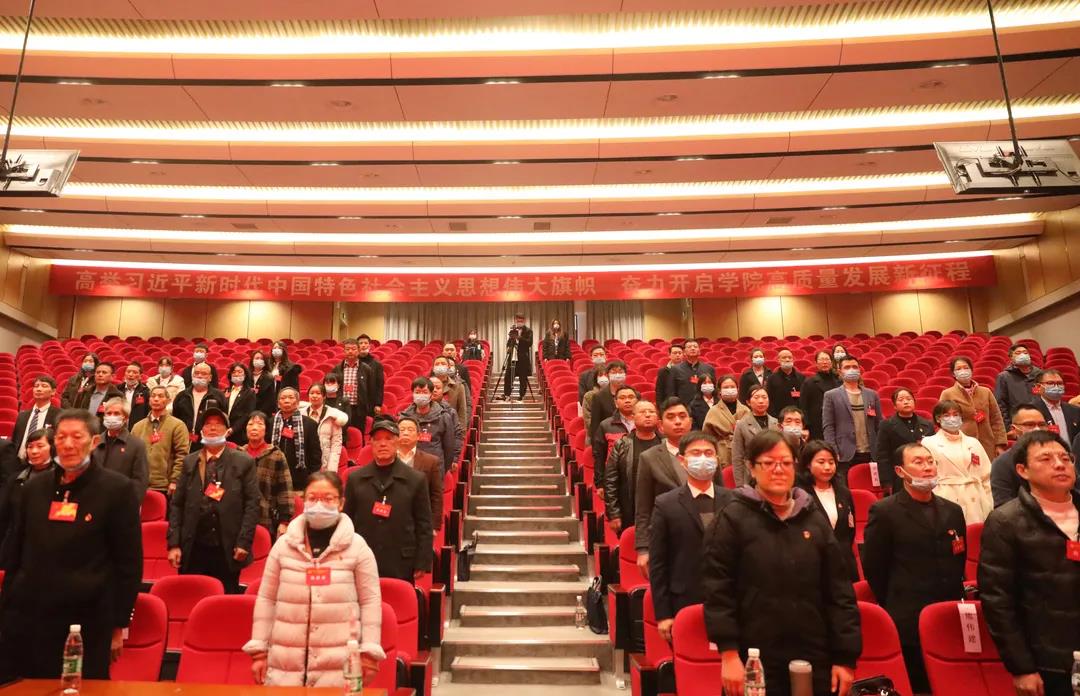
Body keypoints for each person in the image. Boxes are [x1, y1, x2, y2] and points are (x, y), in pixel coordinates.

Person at [702, 430, 860, 696]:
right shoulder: (731, 519)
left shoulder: (813, 519)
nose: (778, 470)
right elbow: (717, 591)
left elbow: (839, 592)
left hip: (814, 654)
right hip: (754, 658)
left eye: (786, 462)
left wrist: (845, 657)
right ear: (751, 467)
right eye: (768, 462)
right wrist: (728, 654)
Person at [0, 409, 141, 681]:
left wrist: (118, 626)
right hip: (31, 615)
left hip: (87, 620)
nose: (67, 444)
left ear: (94, 441)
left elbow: (129, 564)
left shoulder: (117, 490)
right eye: (61, 437)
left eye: (77, 437)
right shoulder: (34, 488)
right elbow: (16, 551)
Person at [244, 471, 384, 687]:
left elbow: (370, 602)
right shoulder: (283, 546)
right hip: (285, 665)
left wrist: (370, 652)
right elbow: (266, 599)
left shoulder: (357, 547)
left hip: (339, 668)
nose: (319, 504)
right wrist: (259, 651)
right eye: (312, 498)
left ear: (341, 503)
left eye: (328, 499)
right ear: (304, 501)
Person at [979, 430, 1080, 696]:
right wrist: (1021, 668)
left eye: (1065, 458)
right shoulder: (1005, 521)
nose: (1059, 464)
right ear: (1022, 470)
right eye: (1046, 459)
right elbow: (998, 601)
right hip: (1049, 662)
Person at [861, 442, 967, 694]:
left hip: (948, 613)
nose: (927, 467)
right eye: (918, 462)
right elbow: (874, 566)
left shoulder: (953, 510)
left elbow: (959, 557)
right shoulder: (885, 511)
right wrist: (894, 600)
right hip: (908, 615)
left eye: (930, 461)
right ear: (900, 471)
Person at [649, 431, 736, 642]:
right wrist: (663, 614)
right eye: (696, 453)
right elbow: (658, 564)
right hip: (683, 599)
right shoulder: (665, 504)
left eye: (709, 453)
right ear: (682, 460)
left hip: (729, 601)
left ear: (717, 459)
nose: (703, 458)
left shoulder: (734, 500)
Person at [168, 406, 260, 594]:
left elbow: (252, 504)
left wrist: (244, 542)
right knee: (192, 597)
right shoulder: (190, 462)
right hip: (193, 546)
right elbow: (177, 505)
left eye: (218, 424)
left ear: (227, 430)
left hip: (227, 547)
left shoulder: (243, 462)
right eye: (208, 424)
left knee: (225, 600)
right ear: (201, 430)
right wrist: (174, 544)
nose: (212, 428)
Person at [343, 419, 433, 582]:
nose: (383, 444)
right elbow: (346, 521)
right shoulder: (355, 479)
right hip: (362, 558)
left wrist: (422, 561)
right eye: (377, 439)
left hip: (402, 561)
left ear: (397, 441)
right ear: (371, 443)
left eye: (388, 438)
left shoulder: (416, 479)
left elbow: (424, 524)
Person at [634, 398, 697, 579]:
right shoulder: (649, 458)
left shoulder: (705, 452)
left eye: (682, 416)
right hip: (666, 537)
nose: (677, 421)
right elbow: (643, 507)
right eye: (671, 417)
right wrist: (643, 548)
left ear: (690, 422)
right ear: (661, 425)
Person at [921, 399, 993, 524]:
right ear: (938, 419)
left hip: (976, 499)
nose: (952, 418)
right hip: (945, 497)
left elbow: (987, 475)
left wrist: (988, 500)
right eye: (946, 415)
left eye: (956, 414)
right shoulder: (928, 443)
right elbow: (926, 476)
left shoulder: (973, 442)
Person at [797, 440, 858, 581]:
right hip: (813, 564)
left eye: (831, 462)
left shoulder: (843, 492)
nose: (827, 467)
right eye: (821, 462)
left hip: (843, 563)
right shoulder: (799, 494)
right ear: (808, 464)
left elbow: (850, 530)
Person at [604, 400, 661, 536]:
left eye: (651, 412)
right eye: (642, 412)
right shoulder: (622, 445)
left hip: (661, 509)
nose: (648, 415)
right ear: (633, 417)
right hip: (630, 509)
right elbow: (611, 481)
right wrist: (613, 513)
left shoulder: (666, 443)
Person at [823, 355, 882, 483]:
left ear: (859, 370)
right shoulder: (831, 395)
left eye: (854, 367)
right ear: (840, 372)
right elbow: (828, 426)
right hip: (844, 454)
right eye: (847, 367)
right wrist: (833, 451)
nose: (851, 370)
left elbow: (879, 425)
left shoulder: (872, 395)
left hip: (870, 453)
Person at [0, 428, 54, 567]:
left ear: (53, 448)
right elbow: (4, 516)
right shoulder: (16, 479)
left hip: (46, 547)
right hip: (14, 545)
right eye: (30, 447)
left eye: (40, 446)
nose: (34, 451)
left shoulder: (61, 479)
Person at [939, 355, 1008, 458]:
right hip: (961, 444)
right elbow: (943, 422)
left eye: (966, 367)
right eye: (958, 369)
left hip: (987, 443)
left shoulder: (986, 392)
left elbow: (996, 419)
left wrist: (1000, 444)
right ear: (953, 373)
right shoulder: (947, 394)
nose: (963, 371)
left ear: (971, 370)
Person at [130, 386, 190, 497]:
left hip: (164, 486)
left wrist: (174, 480)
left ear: (168, 400)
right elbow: (131, 454)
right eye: (153, 396)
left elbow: (182, 455)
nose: (156, 399)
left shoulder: (178, 425)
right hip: (139, 484)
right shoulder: (138, 426)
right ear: (149, 400)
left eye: (160, 396)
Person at [242, 411, 293, 539]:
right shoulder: (238, 454)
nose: (254, 428)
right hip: (239, 516)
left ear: (266, 430)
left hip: (265, 517)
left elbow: (285, 489)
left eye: (260, 424)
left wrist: (284, 521)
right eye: (250, 424)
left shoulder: (276, 455)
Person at [873, 388, 934, 492]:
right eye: (901, 400)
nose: (906, 402)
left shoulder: (927, 424)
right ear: (894, 406)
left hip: (924, 474)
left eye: (909, 399)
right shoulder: (887, 425)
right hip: (899, 476)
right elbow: (883, 455)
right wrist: (887, 482)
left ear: (914, 402)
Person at [91, 397, 150, 503]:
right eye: (108, 413)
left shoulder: (137, 445)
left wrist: (131, 504)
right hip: (95, 501)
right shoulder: (95, 442)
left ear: (125, 418)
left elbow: (140, 482)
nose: (111, 417)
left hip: (121, 503)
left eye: (116, 413)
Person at [399, 377, 459, 474]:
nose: (421, 395)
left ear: (431, 394)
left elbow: (449, 448)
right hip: (409, 469)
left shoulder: (443, 417)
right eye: (417, 392)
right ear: (412, 394)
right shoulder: (404, 417)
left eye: (424, 392)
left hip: (435, 469)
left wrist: (442, 469)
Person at [396, 416, 443, 532]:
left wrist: (434, 526)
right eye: (402, 430)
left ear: (418, 436)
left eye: (410, 430)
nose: (405, 433)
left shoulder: (430, 461)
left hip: (419, 522)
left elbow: (436, 495)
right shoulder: (387, 458)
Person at [271, 387, 322, 491]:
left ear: (298, 402)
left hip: (300, 477)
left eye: (291, 397)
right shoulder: (270, 423)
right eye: (283, 398)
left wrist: (312, 477)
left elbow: (315, 455)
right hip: (274, 475)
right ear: (278, 403)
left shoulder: (309, 424)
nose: (287, 400)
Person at [172, 362, 227, 452]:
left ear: (210, 378)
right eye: (196, 373)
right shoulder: (182, 396)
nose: (199, 376)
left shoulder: (219, 396)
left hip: (209, 441)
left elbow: (224, 419)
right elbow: (175, 418)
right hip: (183, 439)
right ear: (192, 375)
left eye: (204, 374)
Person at [730, 386, 779, 487]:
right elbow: (737, 457)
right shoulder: (742, 424)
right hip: (751, 477)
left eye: (764, 397)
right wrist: (740, 485)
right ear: (748, 402)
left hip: (773, 474)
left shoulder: (776, 423)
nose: (761, 401)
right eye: (756, 397)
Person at [592, 385, 639, 489]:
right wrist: (600, 483)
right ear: (616, 403)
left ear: (637, 401)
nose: (627, 400)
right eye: (622, 398)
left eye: (631, 397)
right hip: (615, 480)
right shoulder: (605, 425)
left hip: (642, 479)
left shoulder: (645, 424)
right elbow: (599, 456)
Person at [703, 375, 750, 473]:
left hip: (743, 453)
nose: (729, 389)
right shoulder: (713, 411)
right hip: (722, 453)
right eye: (726, 387)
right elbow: (707, 437)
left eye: (732, 387)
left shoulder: (745, 410)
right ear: (719, 391)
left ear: (737, 389)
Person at [331, 338, 375, 436]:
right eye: (347, 349)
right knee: (340, 435)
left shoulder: (366, 369)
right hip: (341, 407)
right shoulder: (337, 368)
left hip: (359, 408)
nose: (350, 351)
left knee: (359, 434)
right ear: (344, 351)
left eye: (353, 349)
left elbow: (371, 390)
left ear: (358, 350)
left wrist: (368, 407)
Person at [301, 383, 349, 473]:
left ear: (324, 396)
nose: (314, 396)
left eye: (318, 393)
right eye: (312, 393)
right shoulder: (300, 414)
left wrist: (331, 470)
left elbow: (336, 445)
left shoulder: (333, 415)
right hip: (303, 463)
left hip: (324, 464)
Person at [994, 343, 1041, 429]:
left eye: (1025, 352)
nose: (1023, 355)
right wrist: (1008, 428)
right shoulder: (1004, 377)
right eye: (1018, 353)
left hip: (1040, 422)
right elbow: (1000, 405)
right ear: (1011, 358)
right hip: (1018, 424)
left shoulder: (1040, 374)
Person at [14, 375, 58, 461]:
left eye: (44, 386)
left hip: (45, 463)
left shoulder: (59, 415)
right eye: (36, 386)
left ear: (53, 391)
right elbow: (15, 441)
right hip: (18, 462)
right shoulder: (22, 415)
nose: (39, 389)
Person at [800, 351, 842, 440]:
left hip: (838, 422)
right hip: (817, 425)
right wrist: (806, 426)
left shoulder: (839, 381)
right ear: (816, 363)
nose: (824, 362)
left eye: (827, 359)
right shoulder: (809, 382)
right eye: (821, 359)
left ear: (831, 362)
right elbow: (803, 406)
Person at [1031, 368, 1080, 444]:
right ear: (1038, 387)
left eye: (1059, 383)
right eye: (1050, 383)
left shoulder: (1075, 410)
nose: (1056, 387)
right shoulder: (1031, 410)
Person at [585, 360, 626, 443]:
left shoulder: (633, 394)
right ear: (608, 375)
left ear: (625, 374)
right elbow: (595, 425)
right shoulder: (598, 397)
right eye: (614, 372)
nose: (617, 375)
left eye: (620, 372)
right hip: (606, 439)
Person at [668, 340, 716, 407]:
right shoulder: (675, 369)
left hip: (705, 407)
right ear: (684, 352)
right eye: (689, 347)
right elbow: (671, 392)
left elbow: (714, 390)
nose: (693, 348)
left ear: (699, 351)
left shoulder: (709, 368)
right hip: (684, 407)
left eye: (695, 346)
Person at [223, 362, 258, 445]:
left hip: (239, 432)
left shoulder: (250, 392)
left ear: (245, 375)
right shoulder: (226, 391)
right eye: (234, 372)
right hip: (224, 430)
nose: (236, 374)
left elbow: (247, 414)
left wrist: (233, 429)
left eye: (239, 372)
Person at [502, 313, 533, 401]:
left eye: (521, 320)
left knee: (523, 378)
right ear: (515, 320)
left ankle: (522, 395)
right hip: (513, 357)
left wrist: (519, 338)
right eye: (518, 320)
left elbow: (529, 343)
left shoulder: (528, 331)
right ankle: (507, 394)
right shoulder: (513, 330)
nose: (519, 322)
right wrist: (509, 345)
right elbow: (509, 343)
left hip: (523, 358)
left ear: (524, 320)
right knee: (508, 376)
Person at [766, 348, 805, 418]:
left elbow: (804, 398)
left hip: (797, 416)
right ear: (778, 360)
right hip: (778, 416)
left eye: (790, 357)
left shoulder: (801, 378)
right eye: (784, 357)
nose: (787, 360)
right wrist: (774, 417)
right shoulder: (771, 379)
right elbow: (769, 399)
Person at [432, 356, 468, 427]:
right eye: (437, 364)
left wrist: (462, 431)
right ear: (433, 368)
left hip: (452, 426)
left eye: (443, 364)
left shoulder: (458, 387)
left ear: (448, 367)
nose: (440, 366)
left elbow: (462, 412)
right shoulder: (427, 385)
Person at [356, 334, 385, 418]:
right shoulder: (352, 362)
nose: (363, 345)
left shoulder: (377, 364)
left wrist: (378, 404)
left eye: (365, 343)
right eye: (361, 343)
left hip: (370, 403)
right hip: (355, 403)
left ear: (369, 346)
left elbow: (379, 385)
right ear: (357, 346)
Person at [249, 348, 278, 417]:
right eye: (257, 358)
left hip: (263, 413)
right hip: (247, 411)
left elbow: (270, 399)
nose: (259, 360)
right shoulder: (247, 375)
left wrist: (259, 414)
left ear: (265, 361)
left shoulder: (269, 377)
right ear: (252, 360)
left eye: (261, 359)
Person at [120, 361, 151, 426]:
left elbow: (149, 412)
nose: (130, 374)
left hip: (138, 427)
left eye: (134, 372)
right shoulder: (118, 389)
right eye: (128, 372)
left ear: (140, 376)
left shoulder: (146, 391)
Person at [581, 371, 610, 436]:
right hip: (595, 434)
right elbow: (588, 419)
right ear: (596, 378)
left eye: (606, 375)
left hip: (615, 433)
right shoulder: (589, 396)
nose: (603, 377)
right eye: (600, 375)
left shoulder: (616, 394)